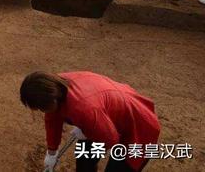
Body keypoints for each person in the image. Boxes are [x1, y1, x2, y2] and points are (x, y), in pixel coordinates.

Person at [20, 71, 160, 172]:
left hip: (139, 127)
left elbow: (110, 139)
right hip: (105, 116)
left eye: (42, 107)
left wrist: (88, 131)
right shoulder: (54, 87)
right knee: (84, 157)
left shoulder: (83, 108)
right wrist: (51, 153)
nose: (41, 111)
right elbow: (52, 120)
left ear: (53, 99)